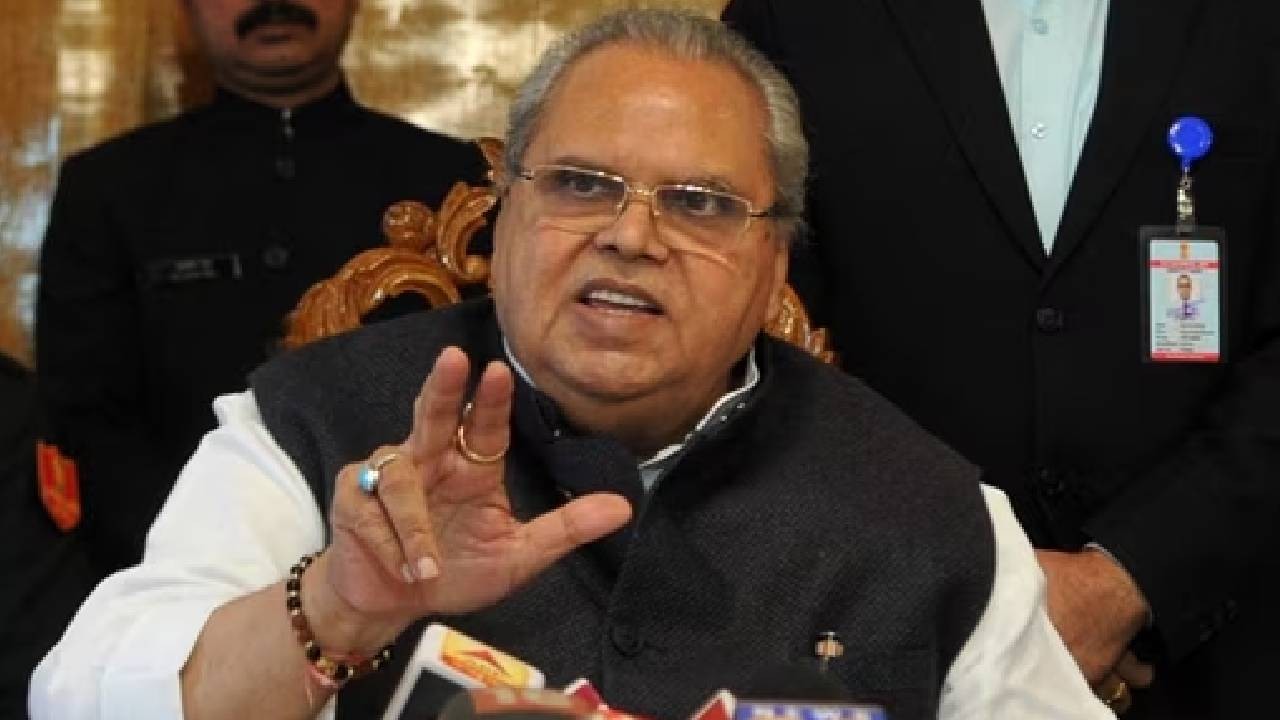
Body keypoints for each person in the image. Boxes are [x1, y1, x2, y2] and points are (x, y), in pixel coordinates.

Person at [31, 10, 1112, 720]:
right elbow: (81, 699)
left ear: (772, 261)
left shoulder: (925, 506)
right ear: (501, 214)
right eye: (582, 184)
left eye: (699, 203)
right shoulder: (313, 426)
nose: (631, 236)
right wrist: (340, 606)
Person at [720, 1, 1280, 717]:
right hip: (895, 647)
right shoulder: (791, 15)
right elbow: (748, 333)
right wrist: (961, 582)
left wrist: (1133, 575)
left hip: (1218, 648)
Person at [35, 0, 484, 578]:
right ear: (187, 11)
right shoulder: (109, 188)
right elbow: (85, 415)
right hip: (174, 569)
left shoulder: (454, 184)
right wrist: (195, 555)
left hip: (415, 562)